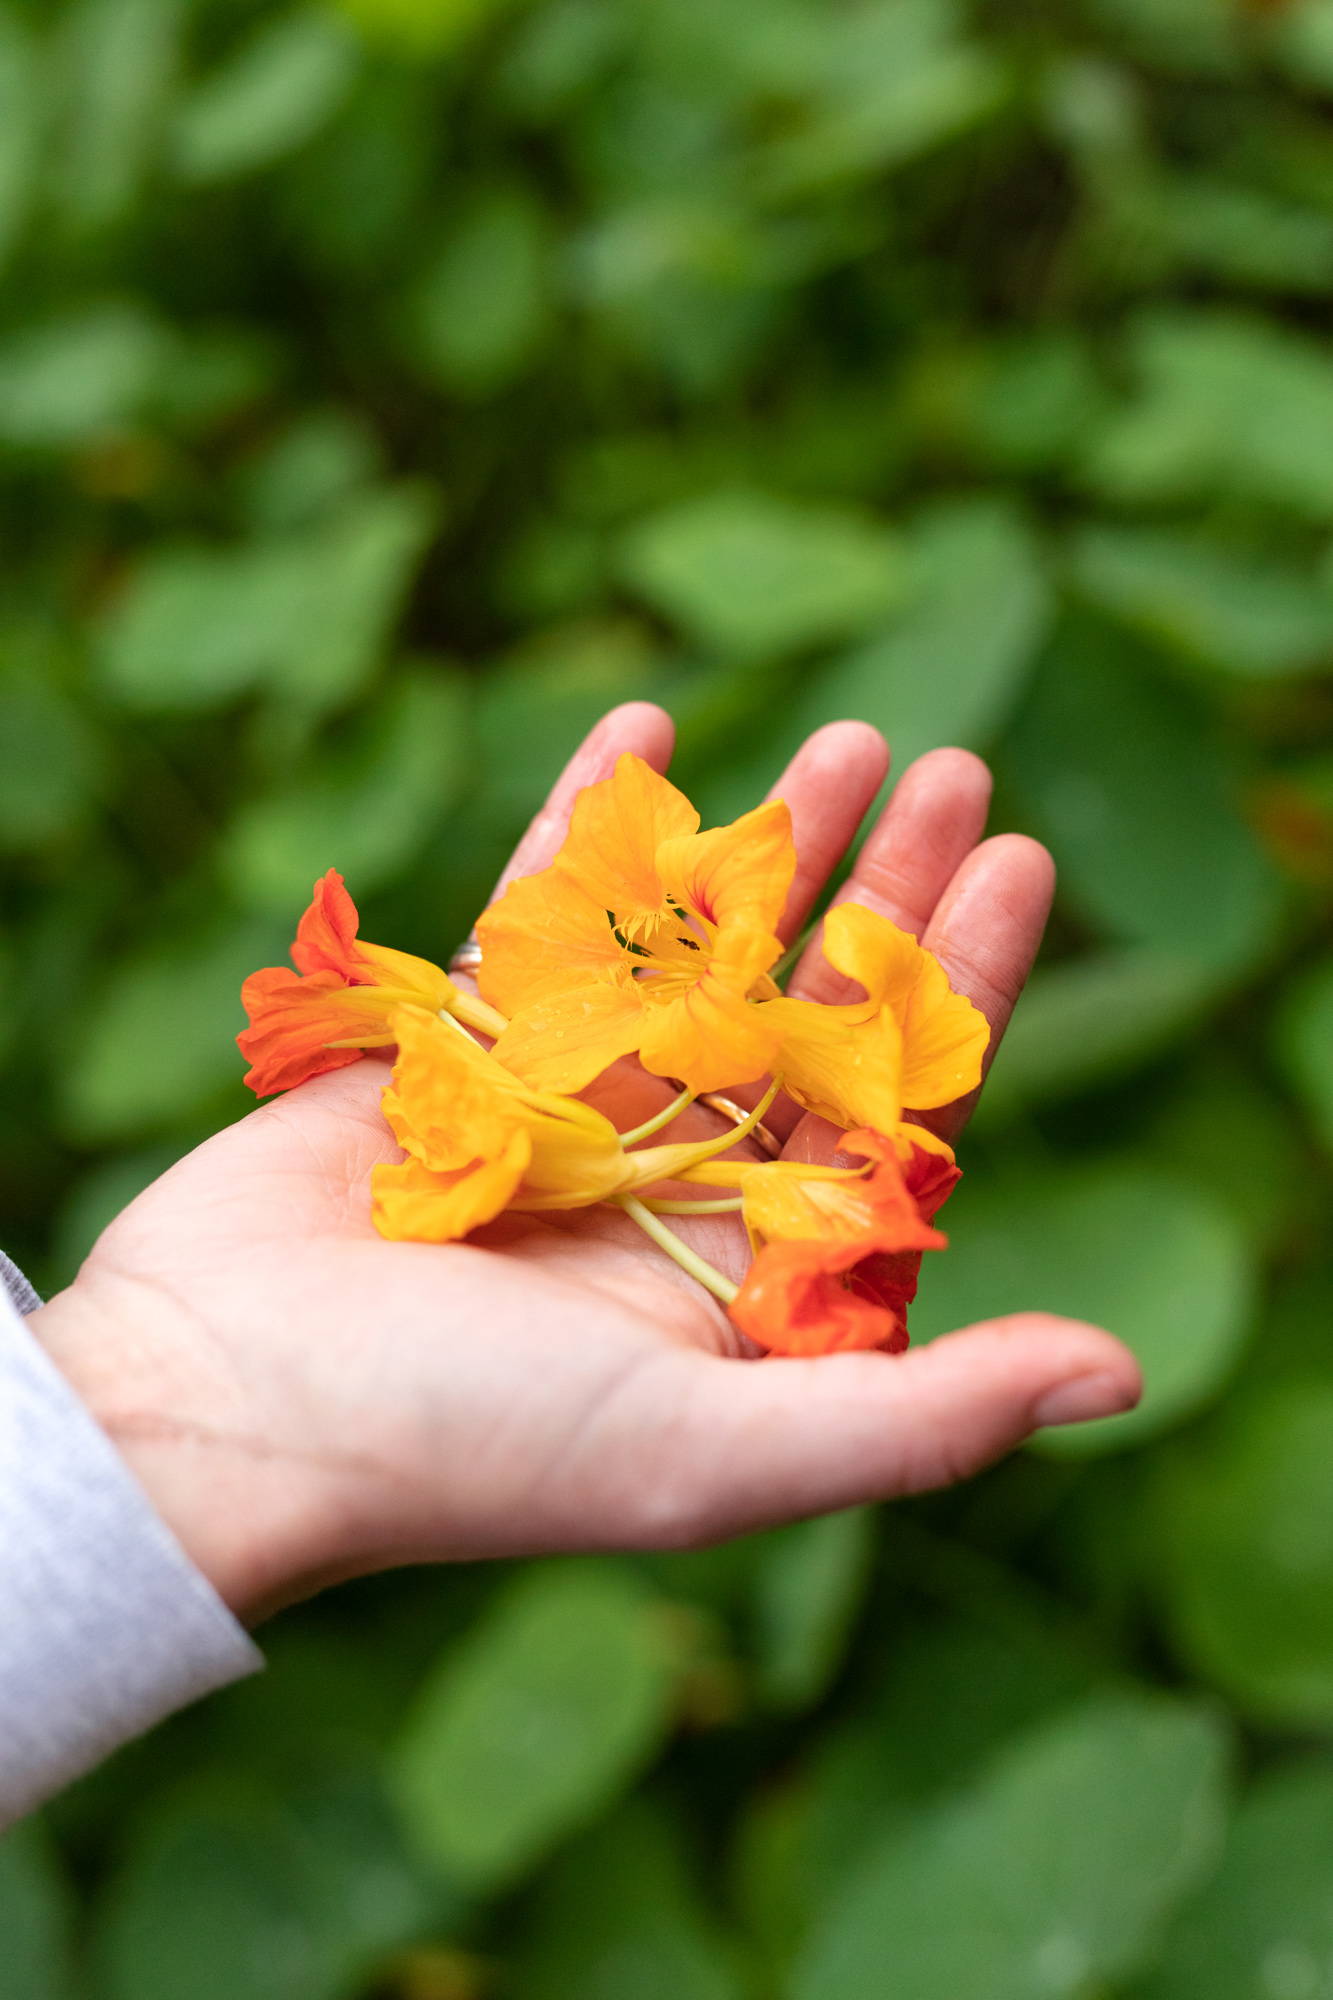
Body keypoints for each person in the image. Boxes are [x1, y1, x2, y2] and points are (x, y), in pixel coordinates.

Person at [0, 705, 1139, 1823]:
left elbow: (685, 989)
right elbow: (588, 1019)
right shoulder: (585, 1031)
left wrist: (138, 1396)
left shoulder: (687, 1002)